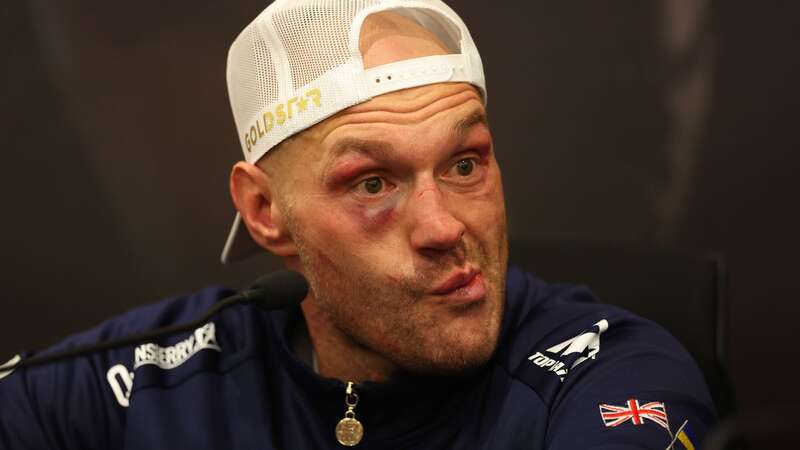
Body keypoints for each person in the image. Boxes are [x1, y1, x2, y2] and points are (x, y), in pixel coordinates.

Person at [0, 1, 716, 449]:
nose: (443, 227)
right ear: (264, 213)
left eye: (466, 164)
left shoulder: (608, 370)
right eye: (373, 183)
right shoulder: (161, 374)